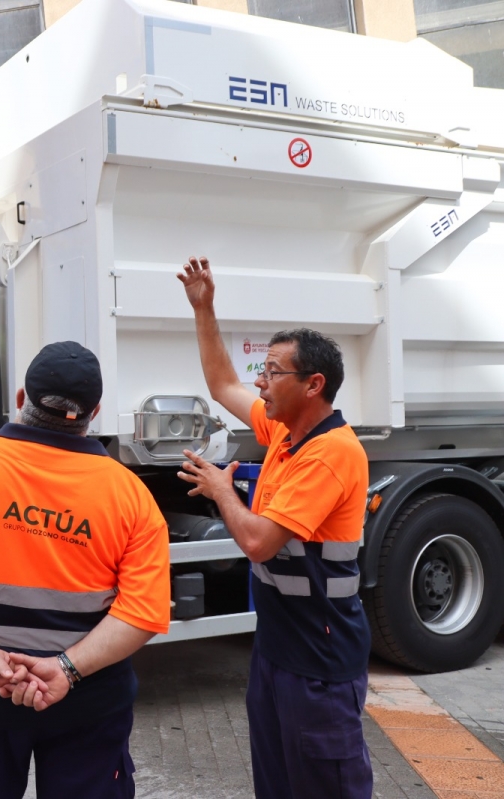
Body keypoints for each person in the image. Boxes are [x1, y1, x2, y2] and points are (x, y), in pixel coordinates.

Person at [0, 341, 170, 799]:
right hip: (88, 705)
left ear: (22, 398)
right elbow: (143, 613)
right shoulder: (131, 495)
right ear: (95, 411)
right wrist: (65, 668)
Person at [175, 256, 373, 799]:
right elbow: (221, 382)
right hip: (279, 650)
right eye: (262, 371)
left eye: (272, 372)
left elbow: (259, 543)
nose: (259, 382)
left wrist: (221, 490)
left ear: (314, 384)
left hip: (319, 661)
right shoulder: (284, 431)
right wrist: (204, 308)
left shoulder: (330, 453)